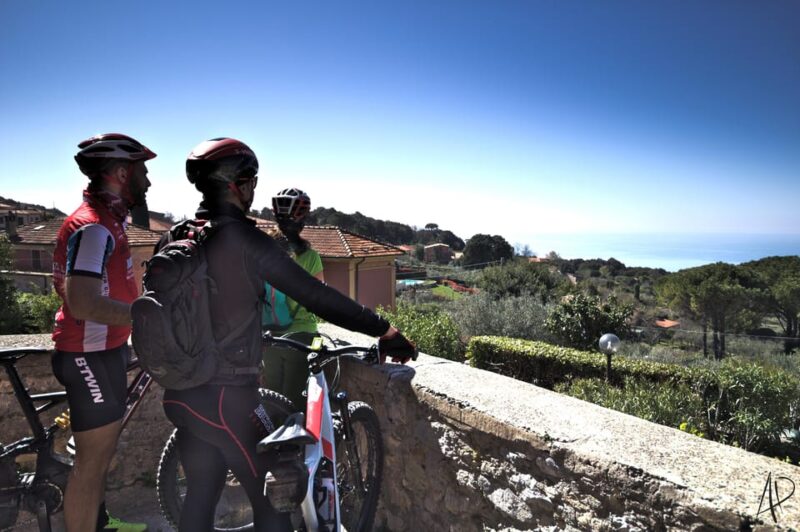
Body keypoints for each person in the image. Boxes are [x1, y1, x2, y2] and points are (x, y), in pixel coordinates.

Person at [158, 137, 416, 532]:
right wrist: (385, 330)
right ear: (236, 185)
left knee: (200, 494)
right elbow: (315, 295)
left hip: (181, 393)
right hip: (230, 397)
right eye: (252, 180)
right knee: (276, 501)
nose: (254, 189)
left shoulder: (175, 236)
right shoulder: (243, 240)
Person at [52, 133, 155, 532]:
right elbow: (83, 302)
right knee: (90, 465)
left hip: (103, 350)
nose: (148, 180)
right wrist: (146, 316)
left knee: (101, 457)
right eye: (143, 171)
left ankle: (100, 523)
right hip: (87, 355)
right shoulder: (94, 227)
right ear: (120, 173)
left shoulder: (109, 220)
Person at [261, 187, 323, 410]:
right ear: (302, 219)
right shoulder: (310, 256)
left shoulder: (263, 250)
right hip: (302, 336)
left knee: (271, 401)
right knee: (293, 406)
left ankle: (269, 443)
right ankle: (290, 445)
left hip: (269, 335)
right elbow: (319, 299)